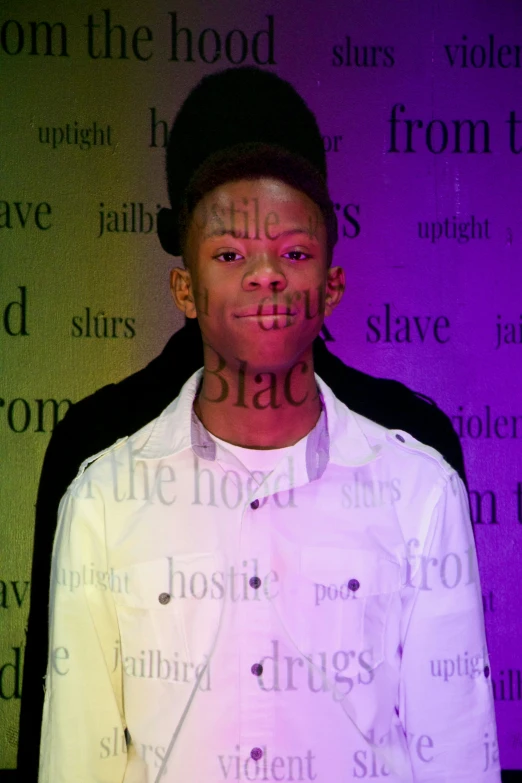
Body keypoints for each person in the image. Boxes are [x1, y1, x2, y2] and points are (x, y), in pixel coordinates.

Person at [37, 71, 499, 781]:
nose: (264, 276)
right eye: (230, 251)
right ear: (184, 276)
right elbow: (74, 737)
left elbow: (455, 739)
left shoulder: (414, 473)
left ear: (330, 275)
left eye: (290, 249)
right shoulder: (100, 476)